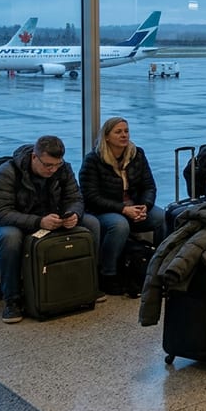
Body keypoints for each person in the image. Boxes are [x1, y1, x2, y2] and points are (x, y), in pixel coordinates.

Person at [0, 136, 103, 323]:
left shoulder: (63, 169)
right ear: (34, 157)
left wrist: (73, 214)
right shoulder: (7, 172)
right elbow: (0, 213)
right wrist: (38, 222)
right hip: (15, 222)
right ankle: (12, 299)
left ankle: (90, 283)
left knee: (92, 223)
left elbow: (76, 198)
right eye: (48, 165)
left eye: (57, 164)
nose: (52, 170)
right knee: (10, 238)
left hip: (52, 218)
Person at [79, 117, 165, 298]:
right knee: (119, 225)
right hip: (104, 211)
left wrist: (144, 206)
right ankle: (108, 274)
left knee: (161, 217)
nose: (124, 135)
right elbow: (91, 197)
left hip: (134, 207)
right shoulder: (93, 160)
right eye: (118, 132)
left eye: (126, 131)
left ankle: (159, 266)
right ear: (107, 136)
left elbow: (149, 186)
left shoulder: (137, 154)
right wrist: (123, 209)